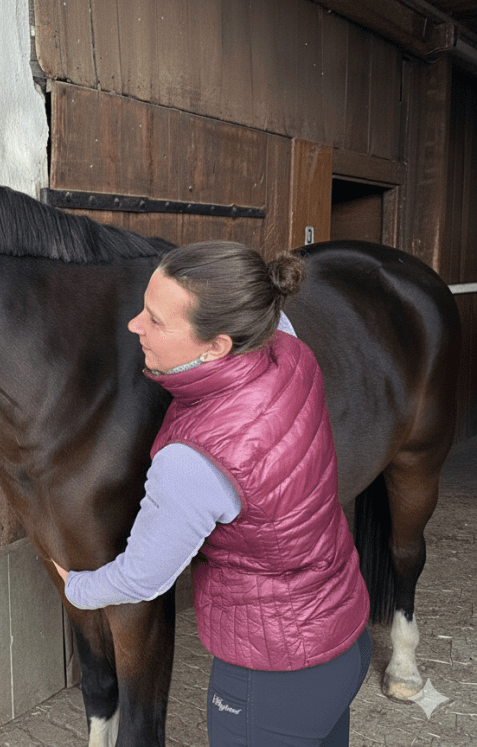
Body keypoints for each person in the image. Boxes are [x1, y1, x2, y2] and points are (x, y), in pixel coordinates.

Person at [53, 240, 372, 746]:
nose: (135, 325)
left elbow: (143, 577)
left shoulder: (193, 462)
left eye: (155, 320)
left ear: (218, 345)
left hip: (271, 682)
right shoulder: (288, 347)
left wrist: (78, 587)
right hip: (344, 637)